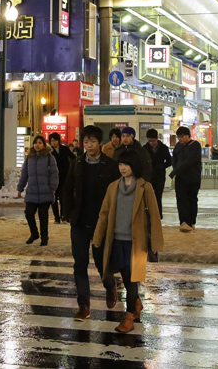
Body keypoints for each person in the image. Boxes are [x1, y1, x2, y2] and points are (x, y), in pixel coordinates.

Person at [92, 150, 163, 334]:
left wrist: (155, 242)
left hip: (136, 242)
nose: (123, 168)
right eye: (120, 164)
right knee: (124, 277)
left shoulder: (145, 187)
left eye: (126, 164)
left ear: (134, 166)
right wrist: (98, 237)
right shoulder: (113, 187)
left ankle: (129, 315)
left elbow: (154, 215)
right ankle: (136, 304)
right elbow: (104, 214)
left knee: (132, 280)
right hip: (116, 240)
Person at [61, 125, 118, 321]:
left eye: (93, 141)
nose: (90, 145)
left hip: (101, 223)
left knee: (102, 262)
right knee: (80, 263)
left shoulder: (111, 165)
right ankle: (83, 305)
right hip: (79, 221)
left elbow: (116, 195)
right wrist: (66, 213)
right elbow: (67, 189)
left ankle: (110, 286)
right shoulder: (77, 164)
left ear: (100, 143)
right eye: (86, 142)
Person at [16, 136, 59, 245]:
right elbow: (24, 175)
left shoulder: (50, 158)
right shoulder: (29, 158)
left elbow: (54, 174)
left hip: (46, 192)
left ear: (44, 144)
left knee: (43, 217)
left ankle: (44, 238)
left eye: (40, 143)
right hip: (32, 192)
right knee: (29, 213)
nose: (37, 145)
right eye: (35, 143)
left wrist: (52, 187)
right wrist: (20, 188)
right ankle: (34, 233)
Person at [169, 126, 202, 232]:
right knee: (181, 200)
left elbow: (190, 161)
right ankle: (183, 222)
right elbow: (174, 159)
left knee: (191, 199)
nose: (180, 139)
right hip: (180, 178)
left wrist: (175, 171)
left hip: (193, 178)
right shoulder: (178, 146)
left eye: (182, 137)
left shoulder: (195, 145)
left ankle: (191, 222)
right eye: (178, 137)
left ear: (188, 136)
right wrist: (175, 170)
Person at [143, 129, 172, 216]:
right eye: (149, 141)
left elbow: (169, 161)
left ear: (157, 138)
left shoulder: (163, 148)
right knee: (148, 196)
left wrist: (161, 166)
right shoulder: (144, 148)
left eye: (153, 140)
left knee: (158, 196)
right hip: (148, 176)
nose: (151, 143)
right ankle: (148, 214)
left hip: (159, 176)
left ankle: (158, 215)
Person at [47, 132, 73, 224]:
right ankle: (56, 217)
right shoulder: (49, 151)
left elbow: (73, 158)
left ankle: (63, 216)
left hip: (64, 176)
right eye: (52, 141)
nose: (53, 142)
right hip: (53, 177)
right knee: (54, 197)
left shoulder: (65, 149)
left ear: (59, 140)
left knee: (63, 197)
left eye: (55, 140)